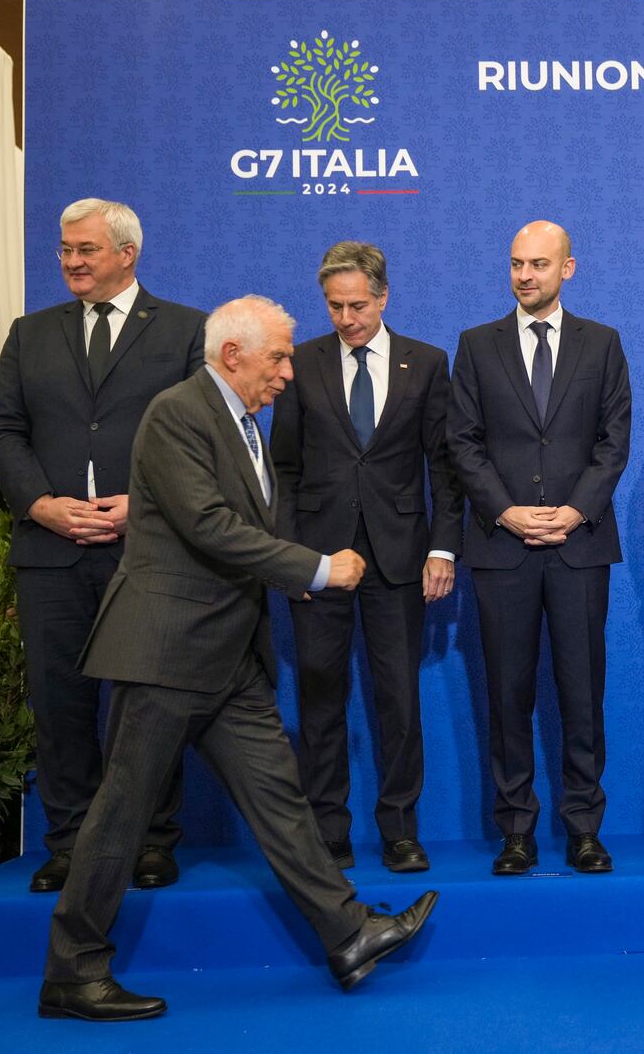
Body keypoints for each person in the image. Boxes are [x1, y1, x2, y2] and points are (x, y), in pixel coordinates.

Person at [40, 296, 437, 1023]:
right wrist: (317, 569)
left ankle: (348, 933)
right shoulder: (178, 413)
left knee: (281, 801)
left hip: (226, 657)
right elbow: (210, 526)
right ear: (233, 356)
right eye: (278, 357)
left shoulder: (241, 422)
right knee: (123, 811)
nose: (289, 371)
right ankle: (72, 970)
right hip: (166, 650)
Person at [0, 198, 203, 893]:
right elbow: (5, 430)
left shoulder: (184, 331)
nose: (71, 262)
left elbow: (203, 438)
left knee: (149, 702)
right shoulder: (30, 332)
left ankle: (149, 839)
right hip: (51, 551)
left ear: (126, 253)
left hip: (146, 549)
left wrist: (144, 504)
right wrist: (41, 504)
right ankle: (71, 843)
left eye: (85, 250)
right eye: (64, 250)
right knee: (60, 705)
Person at [271, 242, 463, 873]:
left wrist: (442, 547)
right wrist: (295, 561)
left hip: (400, 557)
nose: (346, 318)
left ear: (383, 298)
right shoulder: (301, 364)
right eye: (334, 306)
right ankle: (329, 833)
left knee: (398, 700)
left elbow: (445, 465)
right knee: (321, 698)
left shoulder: (427, 363)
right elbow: (286, 470)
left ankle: (401, 830)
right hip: (320, 560)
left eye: (357, 305)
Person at [449, 220, 632, 875]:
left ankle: (584, 826)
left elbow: (614, 441)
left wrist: (576, 509)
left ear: (568, 269)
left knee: (583, 692)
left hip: (579, 547)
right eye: (516, 263)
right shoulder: (475, 345)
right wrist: (506, 511)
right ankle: (517, 831)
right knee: (508, 692)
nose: (525, 275)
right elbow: (462, 442)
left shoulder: (603, 344)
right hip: (504, 548)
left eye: (539, 264)